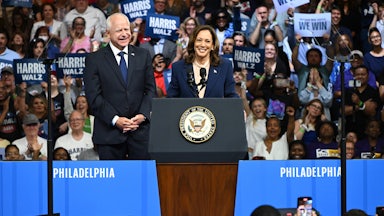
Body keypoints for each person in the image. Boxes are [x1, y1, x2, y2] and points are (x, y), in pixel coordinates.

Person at [84, 13, 156, 160]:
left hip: (140, 133)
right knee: (113, 182)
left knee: (141, 180)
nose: (124, 34)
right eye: (119, 30)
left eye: (126, 29)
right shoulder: (94, 59)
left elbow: (150, 90)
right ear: (108, 33)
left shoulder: (143, 55)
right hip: (109, 135)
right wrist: (115, 119)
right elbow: (94, 97)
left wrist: (142, 115)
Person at [167, 25, 238, 98]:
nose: (203, 45)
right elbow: (171, 99)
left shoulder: (225, 66)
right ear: (193, 43)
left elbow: (231, 95)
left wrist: (238, 107)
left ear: (213, 45)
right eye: (199, 40)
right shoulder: (178, 67)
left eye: (207, 41)